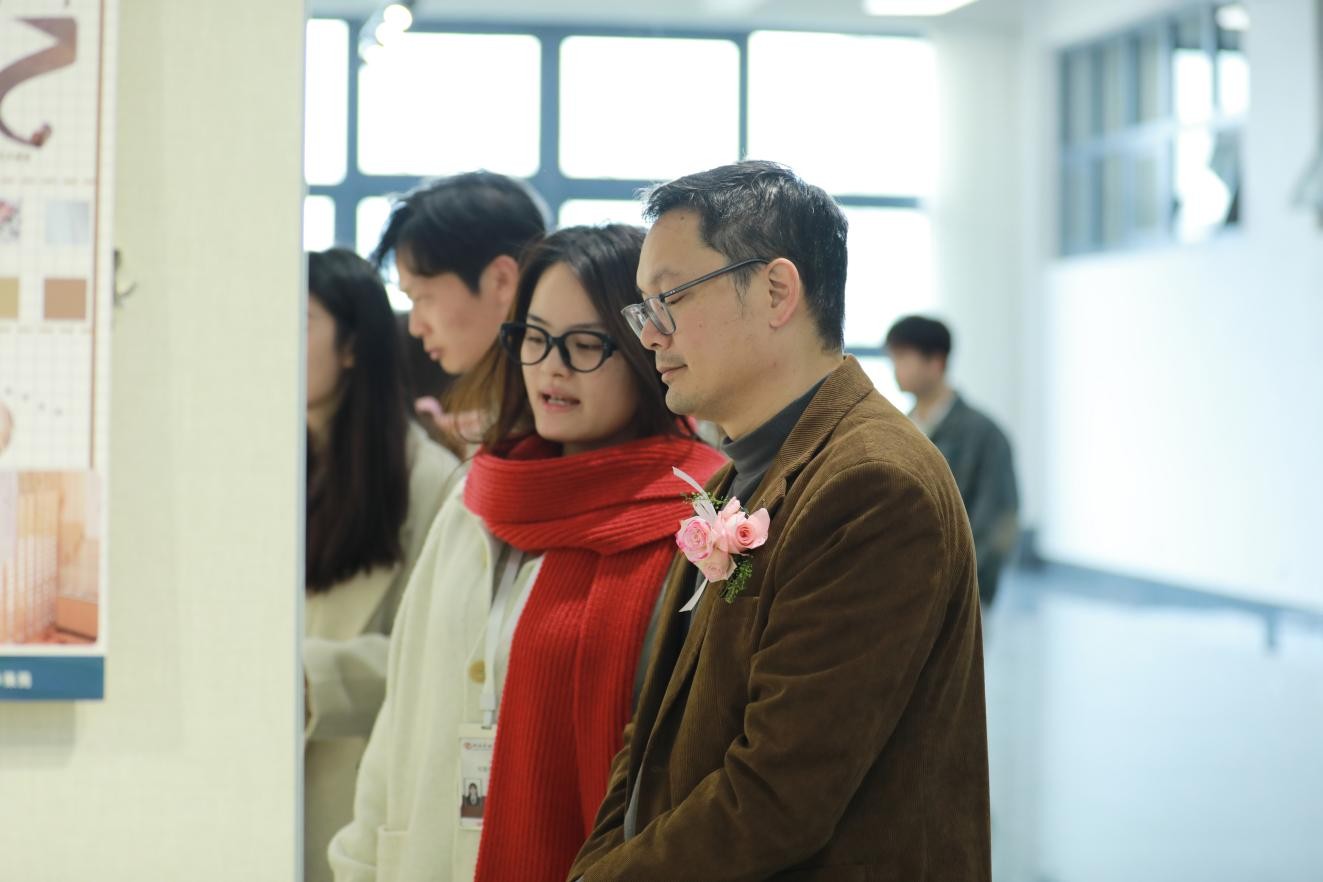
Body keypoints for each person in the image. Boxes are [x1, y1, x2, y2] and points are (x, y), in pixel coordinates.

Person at [568, 161, 991, 881]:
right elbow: (654, 733)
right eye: (644, 308)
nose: (651, 334)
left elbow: (777, 794)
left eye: (669, 297)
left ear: (775, 291)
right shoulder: (737, 473)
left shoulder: (872, 483)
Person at [327, 225, 726, 882]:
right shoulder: (476, 499)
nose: (551, 366)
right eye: (534, 337)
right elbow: (403, 714)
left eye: (586, 344)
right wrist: (359, 864)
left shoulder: (696, 520)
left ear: (645, 348)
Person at [303, 248, 462, 882]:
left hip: (356, 776)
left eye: (300, 322)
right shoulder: (279, 461)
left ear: (352, 346)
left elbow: (437, 653)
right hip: (270, 768)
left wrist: (308, 676)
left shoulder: (428, 479)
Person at [885, 315, 1019, 607]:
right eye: (893, 358)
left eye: (904, 357)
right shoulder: (897, 430)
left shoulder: (983, 434)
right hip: (904, 596)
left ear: (936, 362)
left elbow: (1000, 522)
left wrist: (964, 585)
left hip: (962, 597)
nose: (895, 368)